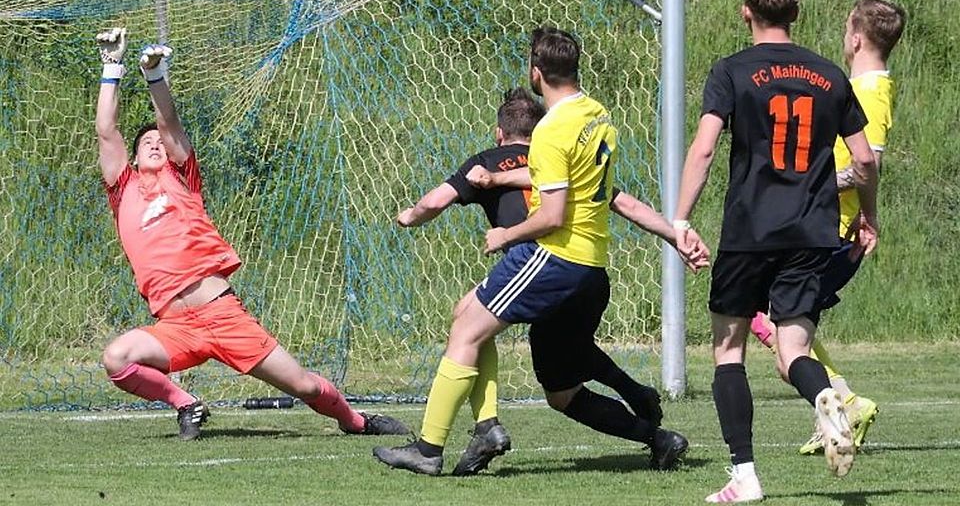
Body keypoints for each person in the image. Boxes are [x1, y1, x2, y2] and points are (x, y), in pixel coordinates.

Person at [372, 26, 685, 476]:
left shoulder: (551, 132)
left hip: (554, 257)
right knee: (561, 393)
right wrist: (673, 234)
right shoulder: (597, 116)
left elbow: (553, 215)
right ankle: (659, 439)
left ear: (536, 73)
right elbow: (610, 195)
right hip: (592, 269)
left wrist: (507, 236)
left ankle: (431, 447)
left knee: (465, 328)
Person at [94, 27, 410, 440]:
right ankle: (186, 404)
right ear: (133, 157)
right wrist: (111, 66)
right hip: (176, 328)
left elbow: (168, 122)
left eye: (158, 141)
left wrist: (155, 75)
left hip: (221, 315)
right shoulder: (124, 190)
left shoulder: (182, 179)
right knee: (117, 358)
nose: (154, 143)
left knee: (305, 386)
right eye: (145, 142)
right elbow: (106, 130)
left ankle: (356, 421)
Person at [671, 0, 880, 503]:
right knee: (793, 353)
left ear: (746, 12)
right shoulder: (831, 76)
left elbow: (706, 147)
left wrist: (681, 219)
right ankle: (824, 401)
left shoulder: (733, 71)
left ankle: (745, 475)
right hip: (811, 233)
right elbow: (864, 161)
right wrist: (868, 213)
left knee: (729, 351)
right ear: (797, 12)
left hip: (749, 232)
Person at [749, 0, 906, 455]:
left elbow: (867, 163)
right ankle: (839, 404)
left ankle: (844, 403)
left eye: (844, 29)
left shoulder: (871, 91)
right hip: (819, 223)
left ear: (855, 37)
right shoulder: (862, 85)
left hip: (828, 229)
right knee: (776, 325)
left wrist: (811, 184)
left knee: (779, 332)